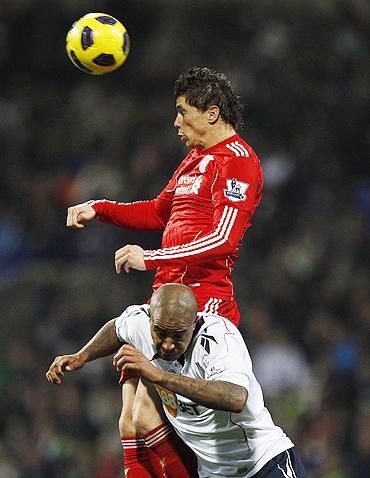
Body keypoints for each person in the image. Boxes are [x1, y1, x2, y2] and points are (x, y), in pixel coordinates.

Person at [66, 66, 263, 476]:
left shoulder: (240, 163)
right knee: (130, 419)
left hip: (200, 313)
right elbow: (158, 211)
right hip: (163, 303)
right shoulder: (194, 160)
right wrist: (99, 208)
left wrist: (151, 258)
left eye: (182, 111)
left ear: (211, 113)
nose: (175, 122)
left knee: (144, 414)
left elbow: (223, 238)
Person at [46, 283, 307, 478]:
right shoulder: (143, 323)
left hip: (262, 464)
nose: (168, 344)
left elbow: (236, 397)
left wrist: (158, 375)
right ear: (150, 319)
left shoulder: (219, 339)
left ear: (194, 323)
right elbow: (117, 327)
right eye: (160, 333)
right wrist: (82, 356)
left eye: (178, 335)